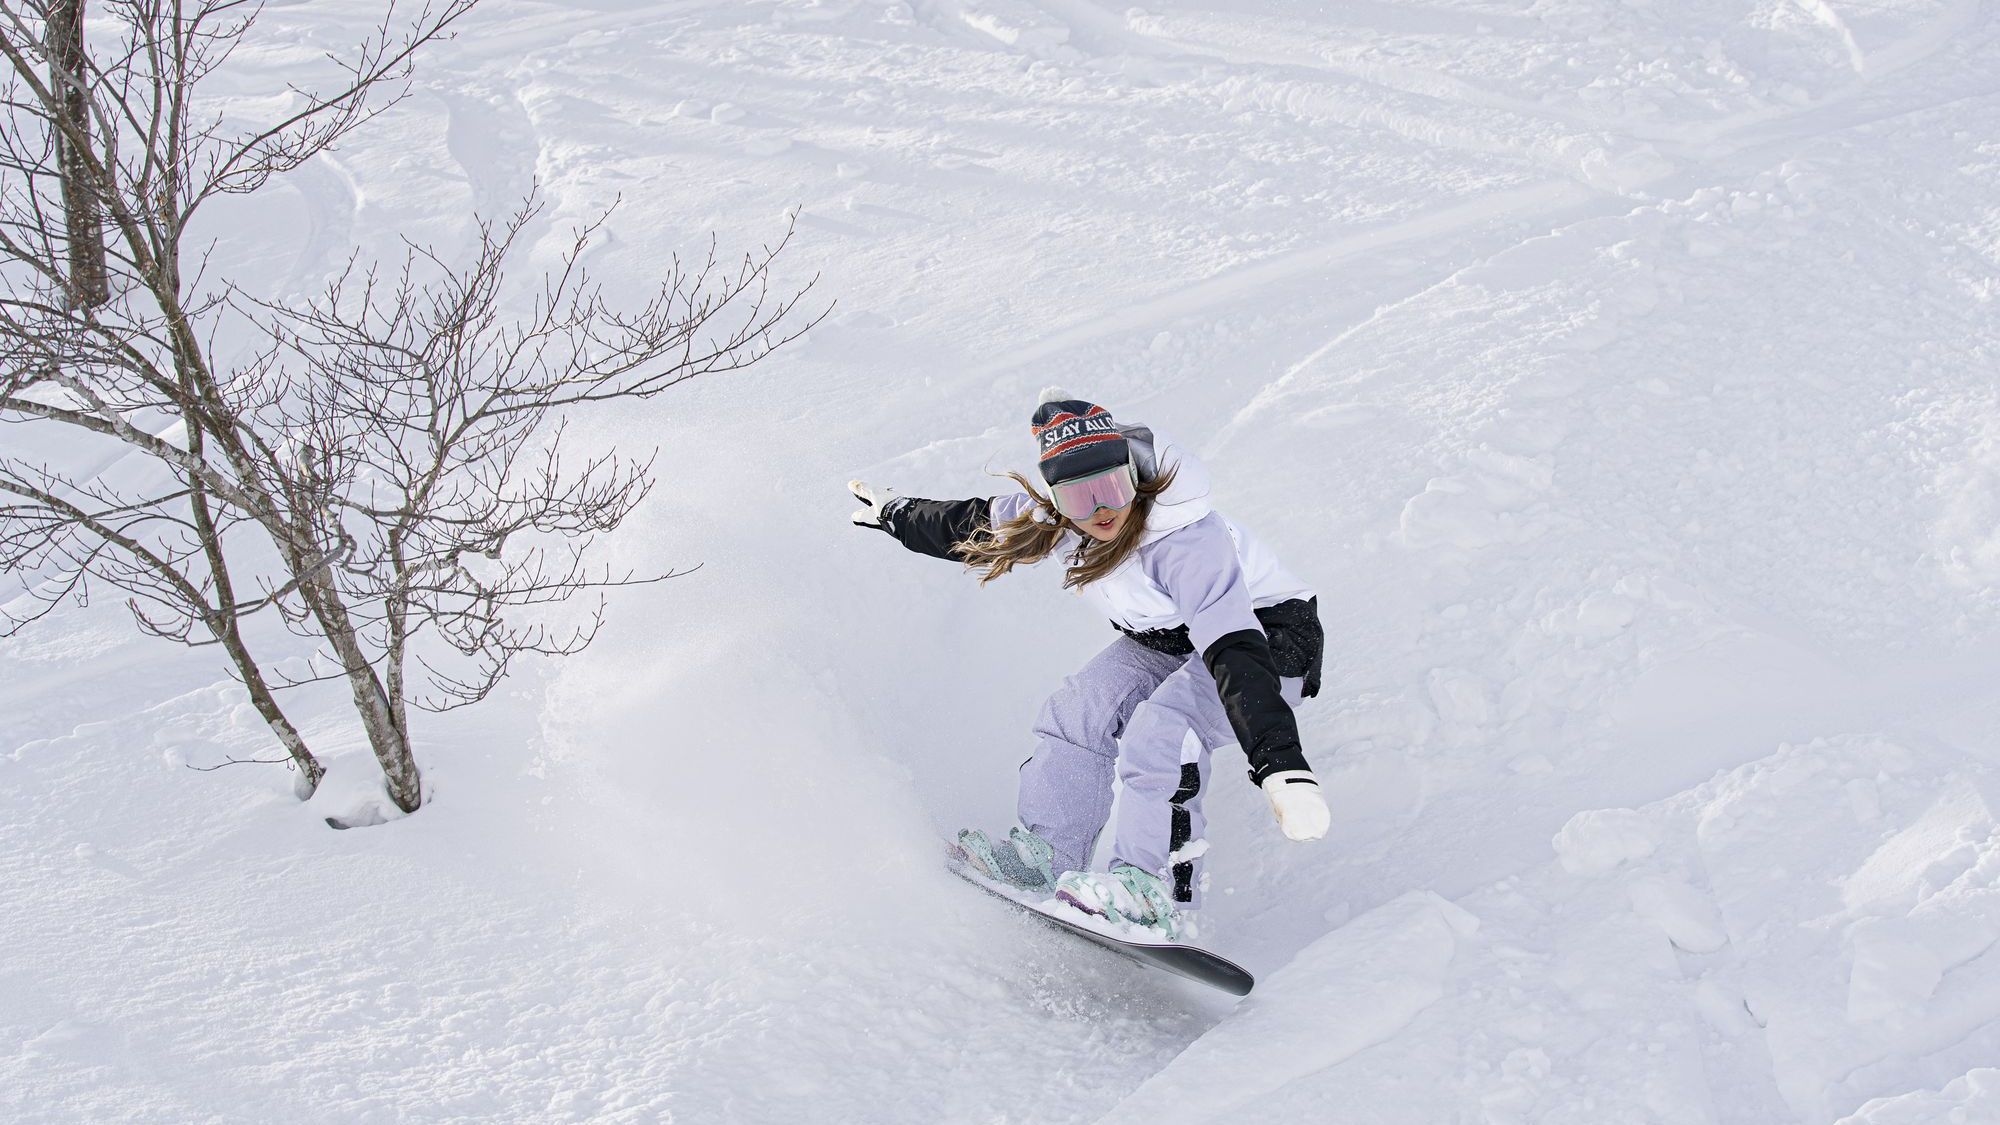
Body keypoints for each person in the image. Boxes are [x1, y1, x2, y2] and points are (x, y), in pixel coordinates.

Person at [848, 393, 1329, 939]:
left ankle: (1150, 891)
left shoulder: (1184, 541)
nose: (1100, 509)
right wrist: (896, 513)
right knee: (1076, 712)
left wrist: (1280, 764)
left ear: (1133, 477)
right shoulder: (1056, 521)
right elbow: (969, 524)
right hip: (1169, 637)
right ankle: (1047, 853)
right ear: (1054, 498)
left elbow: (1233, 648)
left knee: (1163, 731)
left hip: (1265, 640)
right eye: (1078, 497)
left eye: (1112, 488)